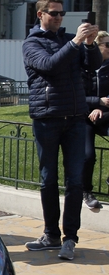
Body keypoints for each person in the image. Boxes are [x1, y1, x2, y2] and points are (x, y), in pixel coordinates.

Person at [22, 0, 101, 260]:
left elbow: (91, 66)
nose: (59, 18)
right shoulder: (31, 43)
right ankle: (51, 234)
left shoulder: (72, 40)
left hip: (76, 119)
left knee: (75, 181)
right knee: (48, 179)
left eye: (61, 14)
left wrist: (89, 44)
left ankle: (71, 238)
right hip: (47, 118)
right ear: (41, 14)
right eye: (54, 14)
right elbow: (50, 65)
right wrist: (75, 43)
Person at [82, 30, 109, 209]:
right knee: (88, 155)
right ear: (97, 47)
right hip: (84, 117)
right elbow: (75, 95)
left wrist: (101, 107)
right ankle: (86, 192)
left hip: (105, 114)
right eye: (107, 44)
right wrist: (96, 102)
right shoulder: (83, 67)